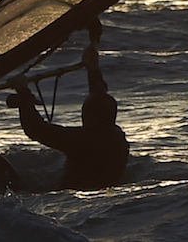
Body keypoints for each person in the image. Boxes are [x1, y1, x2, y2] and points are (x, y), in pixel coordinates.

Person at [9, 41, 129, 190]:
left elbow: (36, 129)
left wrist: (23, 92)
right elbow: (99, 97)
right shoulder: (118, 139)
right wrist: (93, 70)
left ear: (89, 117)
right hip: (99, 192)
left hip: (62, 196)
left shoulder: (82, 142)